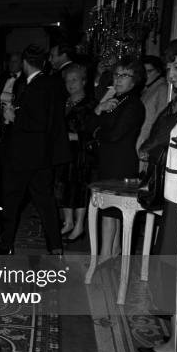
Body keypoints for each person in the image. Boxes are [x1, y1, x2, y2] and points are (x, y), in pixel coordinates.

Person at [140, 38, 177, 352]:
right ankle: (176, 343)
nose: (170, 73)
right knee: (173, 275)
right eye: (169, 66)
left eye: (176, 66)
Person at [0, 44, 65, 255]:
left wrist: (14, 117)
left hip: (23, 155)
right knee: (46, 202)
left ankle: (6, 245)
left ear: (24, 63)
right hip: (42, 155)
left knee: (11, 200)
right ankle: (55, 247)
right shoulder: (53, 83)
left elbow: (38, 121)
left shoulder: (34, 86)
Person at [86, 56, 145, 257]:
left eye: (125, 75)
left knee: (110, 212)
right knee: (110, 212)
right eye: (117, 74)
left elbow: (114, 134)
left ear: (135, 80)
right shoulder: (115, 100)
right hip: (108, 160)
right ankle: (111, 255)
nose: (118, 79)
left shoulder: (134, 104)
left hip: (121, 162)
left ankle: (104, 259)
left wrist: (97, 132)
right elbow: (88, 126)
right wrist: (99, 109)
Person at [55, 64, 96, 243]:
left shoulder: (89, 104)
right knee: (64, 187)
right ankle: (69, 222)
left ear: (83, 81)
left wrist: (74, 136)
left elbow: (93, 132)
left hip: (80, 154)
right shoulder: (64, 102)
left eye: (74, 80)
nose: (70, 84)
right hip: (63, 152)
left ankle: (79, 226)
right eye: (67, 81)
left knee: (79, 190)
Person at [137, 55, 168, 165]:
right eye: (143, 72)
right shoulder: (148, 88)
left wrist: (149, 144)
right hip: (141, 140)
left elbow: (161, 120)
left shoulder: (162, 88)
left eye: (149, 71)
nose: (145, 75)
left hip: (147, 142)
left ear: (159, 71)